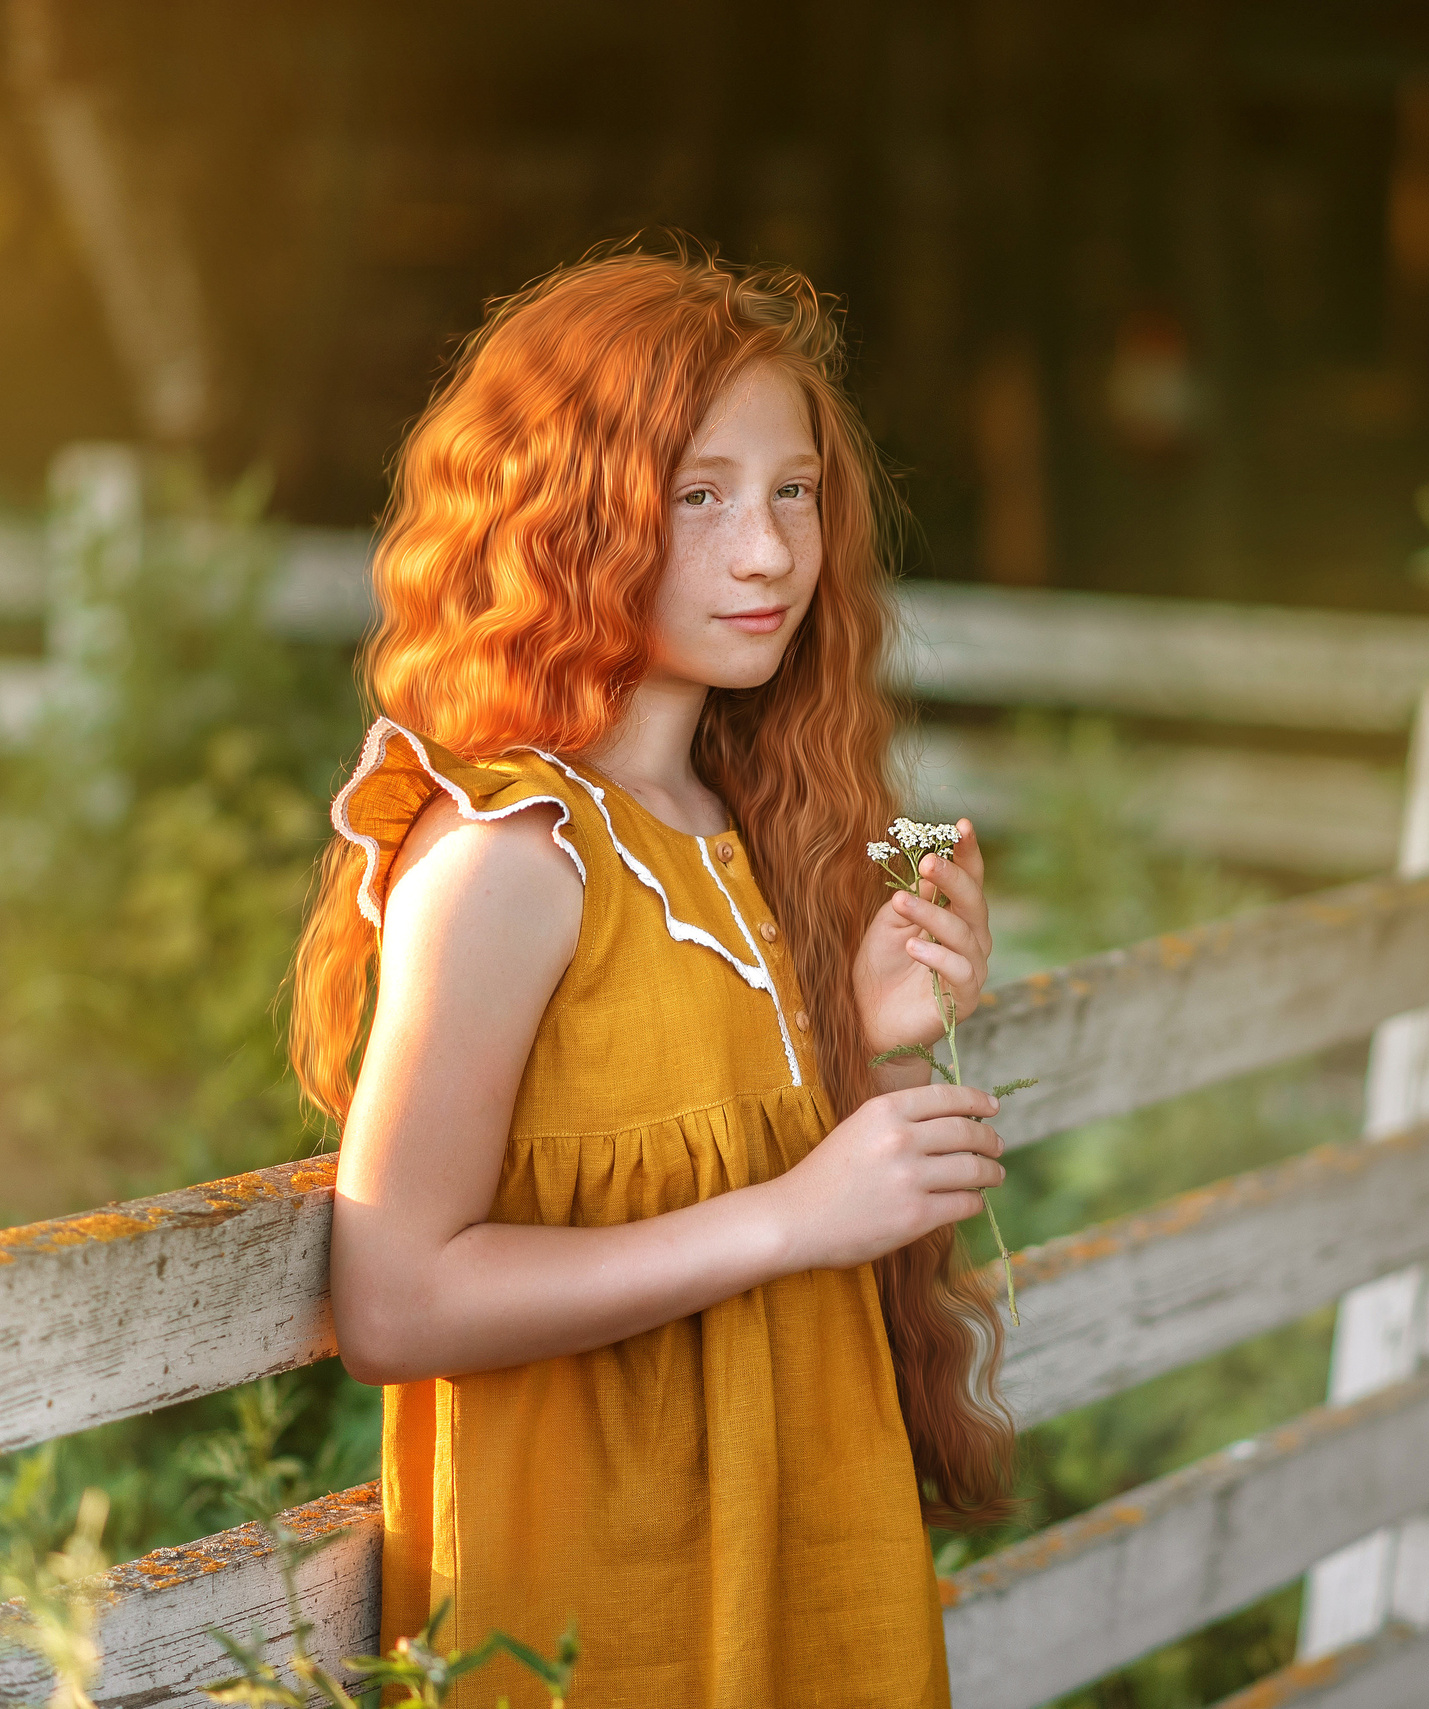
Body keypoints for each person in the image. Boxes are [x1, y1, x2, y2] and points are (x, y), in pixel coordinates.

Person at [286, 245, 1015, 1707]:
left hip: (800, 1574)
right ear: (562, 513)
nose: (767, 552)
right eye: (700, 496)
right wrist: (797, 1211)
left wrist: (876, 1051)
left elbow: (785, 1241)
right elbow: (396, 1296)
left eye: (792, 490)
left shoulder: (734, 828)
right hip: (608, 1621)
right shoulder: (510, 853)